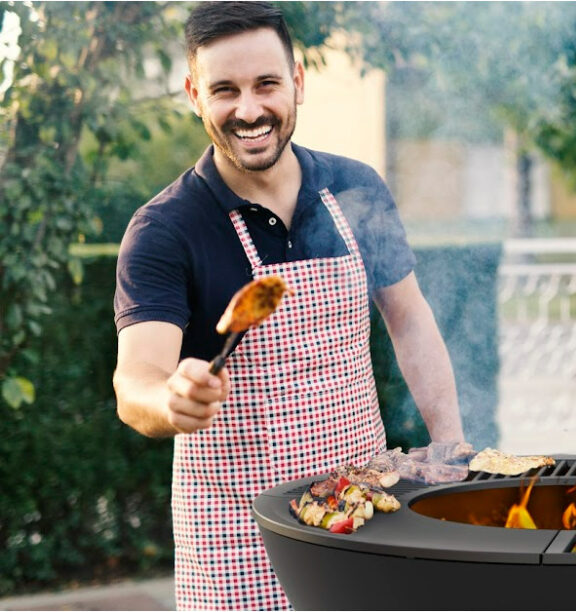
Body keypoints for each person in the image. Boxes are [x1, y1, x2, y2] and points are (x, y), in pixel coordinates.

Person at [111, 3, 465, 609]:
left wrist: (450, 443)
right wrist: (169, 398)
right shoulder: (167, 229)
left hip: (362, 514)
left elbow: (409, 320)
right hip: (240, 539)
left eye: (266, 84)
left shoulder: (355, 189)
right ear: (195, 94)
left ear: (297, 82)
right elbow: (135, 379)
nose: (249, 110)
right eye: (225, 90)